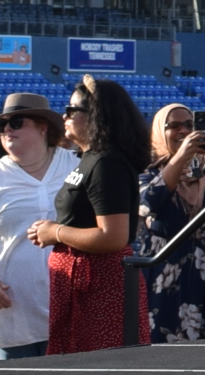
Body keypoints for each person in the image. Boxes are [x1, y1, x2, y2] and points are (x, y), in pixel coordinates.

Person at [31, 77, 150, 354]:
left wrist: (55, 232)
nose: (65, 116)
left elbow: (113, 236)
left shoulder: (107, 163)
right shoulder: (91, 158)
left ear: (95, 115)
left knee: (100, 372)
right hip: (81, 282)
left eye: (73, 110)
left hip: (101, 285)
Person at [0, 93, 76, 360]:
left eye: (17, 121)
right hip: (12, 316)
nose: (7, 128)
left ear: (43, 126)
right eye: (2, 125)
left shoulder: (76, 165)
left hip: (72, 311)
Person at [139, 102, 205, 340]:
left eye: (190, 125)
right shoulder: (147, 172)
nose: (184, 131)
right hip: (166, 274)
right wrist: (180, 158)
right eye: (174, 126)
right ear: (160, 131)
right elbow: (148, 203)